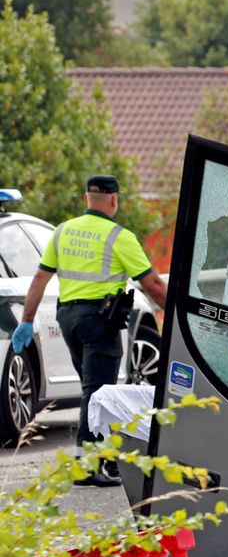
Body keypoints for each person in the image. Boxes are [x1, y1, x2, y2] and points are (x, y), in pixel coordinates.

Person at [11, 175, 167, 487]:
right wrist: (178, 316)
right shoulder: (119, 236)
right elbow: (152, 284)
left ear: (86, 199)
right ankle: (89, 464)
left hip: (68, 319)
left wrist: (26, 320)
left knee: (91, 388)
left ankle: (101, 459)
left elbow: (40, 279)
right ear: (114, 200)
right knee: (97, 392)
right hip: (99, 322)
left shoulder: (62, 232)